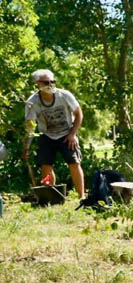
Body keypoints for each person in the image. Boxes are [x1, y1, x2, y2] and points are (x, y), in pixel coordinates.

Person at [23, 69, 85, 198]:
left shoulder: (64, 95)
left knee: (74, 162)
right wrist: (27, 147)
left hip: (67, 133)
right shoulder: (32, 102)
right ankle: (51, 196)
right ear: (37, 85)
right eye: (46, 82)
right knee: (45, 164)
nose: (50, 85)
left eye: (53, 81)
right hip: (46, 135)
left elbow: (78, 114)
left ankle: (82, 196)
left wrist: (73, 134)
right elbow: (30, 127)